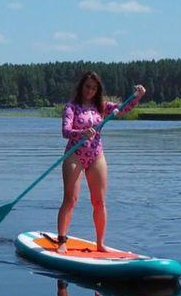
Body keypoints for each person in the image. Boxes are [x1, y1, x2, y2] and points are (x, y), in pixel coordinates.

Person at [57, 72, 145, 252]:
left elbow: (124, 109)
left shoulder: (102, 107)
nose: (90, 90)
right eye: (87, 86)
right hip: (75, 154)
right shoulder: (71, 107)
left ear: (98, 90)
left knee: (99, 202)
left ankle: (100, 244)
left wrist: (138, 96)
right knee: (71, 199)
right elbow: (65, 131)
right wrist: (81, 133)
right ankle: (62, 241)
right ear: (81, 87)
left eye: (94, 88)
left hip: (96, 154)